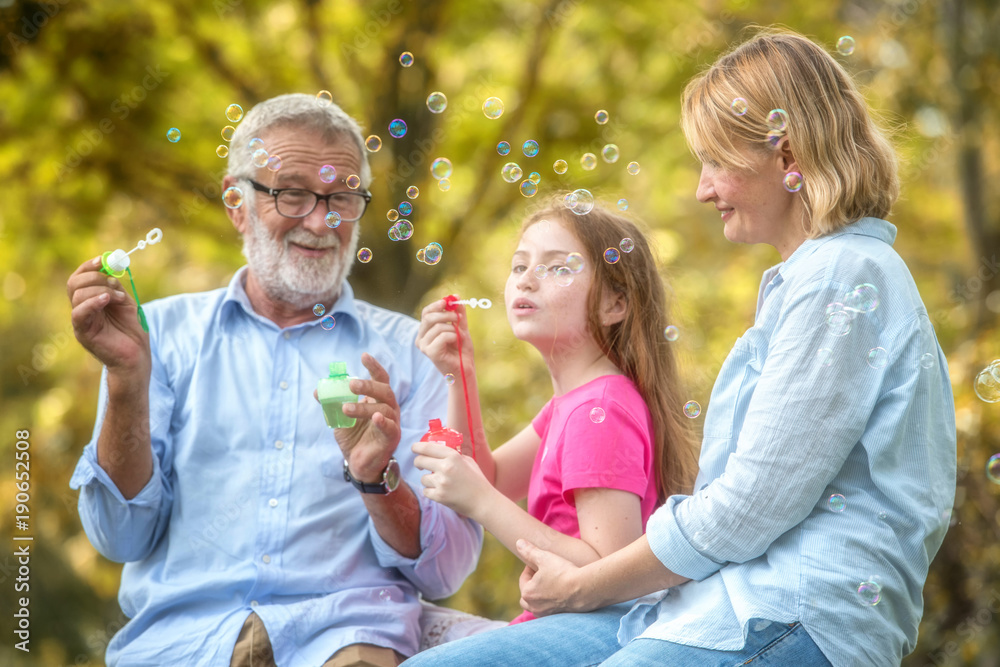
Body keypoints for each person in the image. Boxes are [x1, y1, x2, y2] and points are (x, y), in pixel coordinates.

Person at [401, 28, 957, 667]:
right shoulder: (806, 281)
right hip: (710, 601)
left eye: (716, 160)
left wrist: (582, 586)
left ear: (789, 155)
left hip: (791, 612)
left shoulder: (843, 276)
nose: (701, 189)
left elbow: (747, 509)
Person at [66, 93, 482, 667]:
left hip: (343, 639)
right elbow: (118, 537)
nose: (320, 220)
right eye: (292, 194)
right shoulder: (153, 336)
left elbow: (448, 567)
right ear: (236, 203)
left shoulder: (415, 355)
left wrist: (378, 481)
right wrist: (126, 382)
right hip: (181, 647)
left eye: (341, 197)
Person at [409, 198, 697, 639]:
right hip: (565, 625)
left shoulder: (597, 412)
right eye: (519, 265)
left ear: (613, 304)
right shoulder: (574, 402)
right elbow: (490, 473)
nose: (527, 279)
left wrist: (481, 502)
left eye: (558, 267)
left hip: (591, 631)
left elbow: (611, 569)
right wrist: (459, 374)